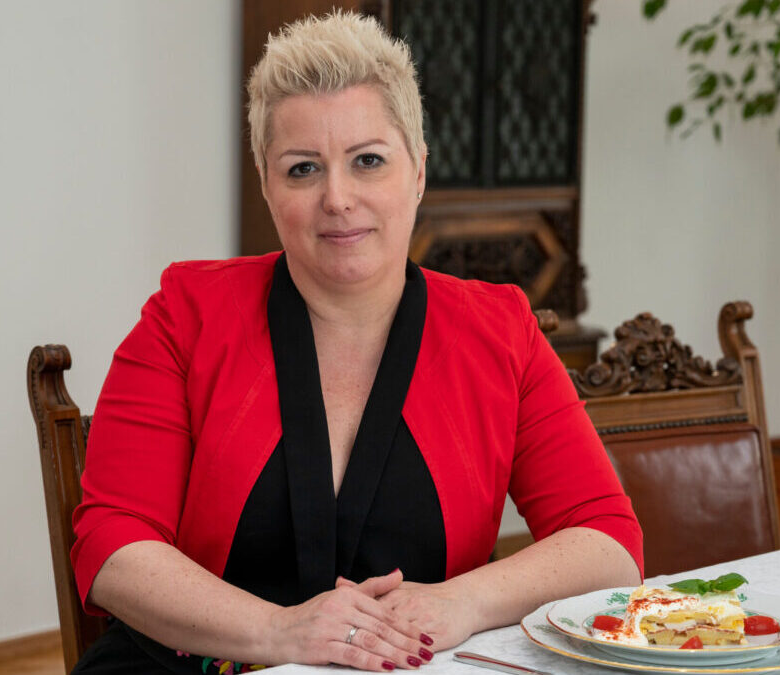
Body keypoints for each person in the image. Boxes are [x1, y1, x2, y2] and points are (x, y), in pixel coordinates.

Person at [69, 10, 643, 675]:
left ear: (418, 170)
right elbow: (112, 546)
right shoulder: (184, 315)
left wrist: (461, 601)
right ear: (266, 183)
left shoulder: (501, 331)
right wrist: (280, 632)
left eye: (368, 160)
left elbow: (608, 542)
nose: (337, 198)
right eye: (302, 169)